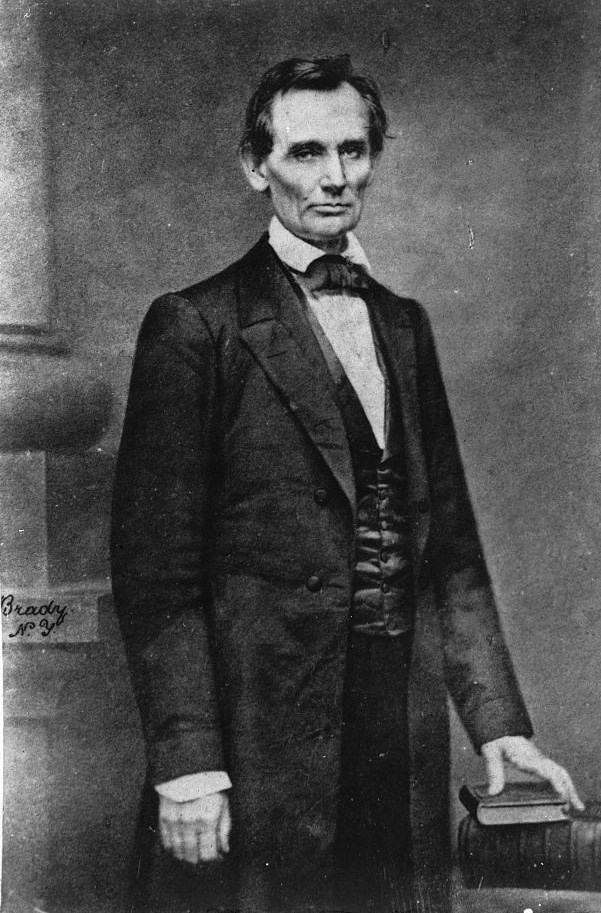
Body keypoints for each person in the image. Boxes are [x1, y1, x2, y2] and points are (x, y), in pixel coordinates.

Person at [111, 55, 581, 913]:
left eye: (354, 151)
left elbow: (453, 555)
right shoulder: (196, 326)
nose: (334, 178)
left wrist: (499, 725)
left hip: (394, 729)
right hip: (255, 743)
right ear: (255, 166)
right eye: (305, 154)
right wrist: (186, 762)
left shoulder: (404, 323)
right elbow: (155, 579)